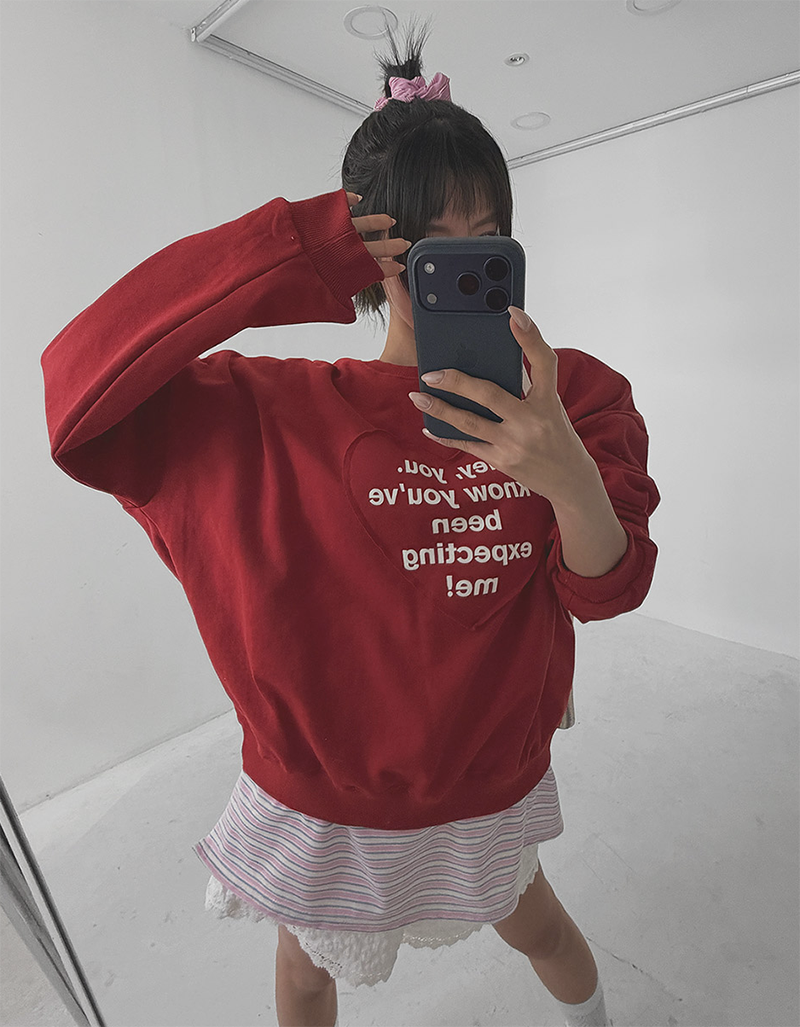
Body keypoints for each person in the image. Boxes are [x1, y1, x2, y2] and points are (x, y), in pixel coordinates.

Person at [40, 15, 659, 1027]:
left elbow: (608, 589)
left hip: (489, 786)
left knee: (540, 928)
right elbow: (75, 399)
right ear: (374, 250)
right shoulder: (264, 417)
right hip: (323, 806)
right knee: (303, 974)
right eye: (426, 243)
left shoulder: (569, 397)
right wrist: (291, 250)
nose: (459, 264)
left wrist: (565, 474)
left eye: (484, 236)